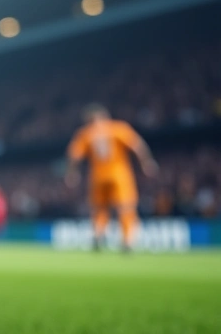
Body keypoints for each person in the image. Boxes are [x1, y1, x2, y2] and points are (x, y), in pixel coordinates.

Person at [64, 104, 157, 252]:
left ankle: (98, 235)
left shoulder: (86, 133)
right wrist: (146, 162)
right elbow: (137, 145)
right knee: (126, 206)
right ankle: (127, 240)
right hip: (119, 174)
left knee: (100, 208)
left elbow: (73, 155)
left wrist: (71, 173)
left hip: (98, 177)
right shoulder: (118, 128)